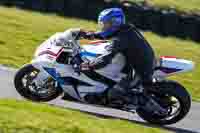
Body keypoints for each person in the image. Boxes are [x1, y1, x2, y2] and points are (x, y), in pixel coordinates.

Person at [76, 8, 156, 104]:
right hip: (135, 62)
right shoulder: (125, 29)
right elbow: (106, 34)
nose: (103, 27)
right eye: (102, 24)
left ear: (115, 23)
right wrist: (89, 35)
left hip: (140, 69)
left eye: (106, 24)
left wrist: (89, 65)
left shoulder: (120, 39)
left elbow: (105, 58)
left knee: (114, 94)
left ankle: (138, 102)